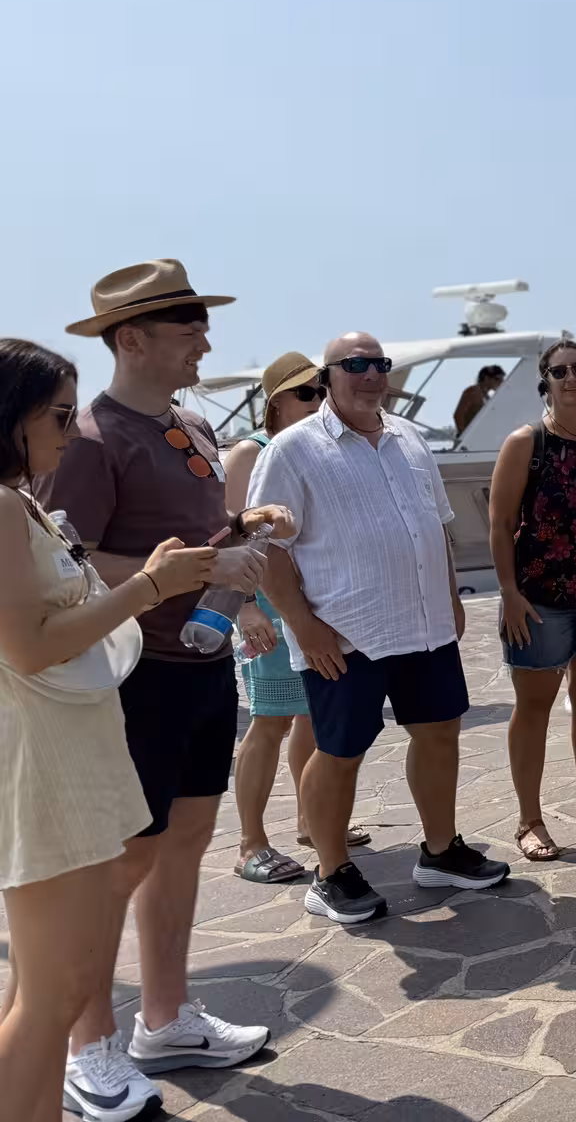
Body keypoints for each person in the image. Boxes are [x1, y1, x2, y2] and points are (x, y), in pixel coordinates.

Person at [41, 261, 293, 1118]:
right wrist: (204, 566)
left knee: (184, 841)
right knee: (122, 863)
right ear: (132, 338)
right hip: (134, 675)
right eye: (190, 330)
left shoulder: (187, 426)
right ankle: (89, 1048)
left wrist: (244, 540)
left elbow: (195, 541)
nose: (207, 343)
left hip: (201, 663)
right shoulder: (90, 440)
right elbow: (64, 561)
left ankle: (166, 1016)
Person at [0, 339, 223, 1122]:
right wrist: (151, 586)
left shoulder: (19, 500)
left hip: (69, 751)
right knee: (53, 993)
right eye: (58, 416)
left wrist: (147, 573)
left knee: (41, 988)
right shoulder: (0, 505)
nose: (69, 431)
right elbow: (28, 646)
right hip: (48, 763)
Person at [250, 332, 511, 927]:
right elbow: (268, 550)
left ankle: (441, 851)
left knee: (440, 732)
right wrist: (303, 626)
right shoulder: (292, 450)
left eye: (380, 365)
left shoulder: (409, 439)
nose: (371, 375)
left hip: (423, 627)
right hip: (344, 633)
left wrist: (449, 602)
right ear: (329, 375)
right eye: (356, 365)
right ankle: (331, 872)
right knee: (338, 751)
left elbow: (436, 528)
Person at [225, 352, 370, 883]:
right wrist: (243, 609)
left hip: (314, 609)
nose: (318, 400)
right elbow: (229, 534)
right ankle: (250, 841)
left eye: (320, 390)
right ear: (276, 403)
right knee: (270, 720)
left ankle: (312, 820)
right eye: (306, 392)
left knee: (313, 715)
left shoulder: (318, 449)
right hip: (267, 607)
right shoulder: (252, 451)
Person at [489, 339, 576, 863]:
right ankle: (529, 819)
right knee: (534, 708)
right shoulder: (527, 441)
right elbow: (499, 523)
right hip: (539, 598)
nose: (571, 378)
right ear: (546, 380)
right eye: (559, 371)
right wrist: (509, 594)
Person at [453, 365, 506, 437]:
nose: (500, 383)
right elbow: (458, 415)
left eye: (502, 380)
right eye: (497, 379)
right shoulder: (472, 391)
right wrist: (464, 436)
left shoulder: (487, 397)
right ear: (486, 378)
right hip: (469, 441)